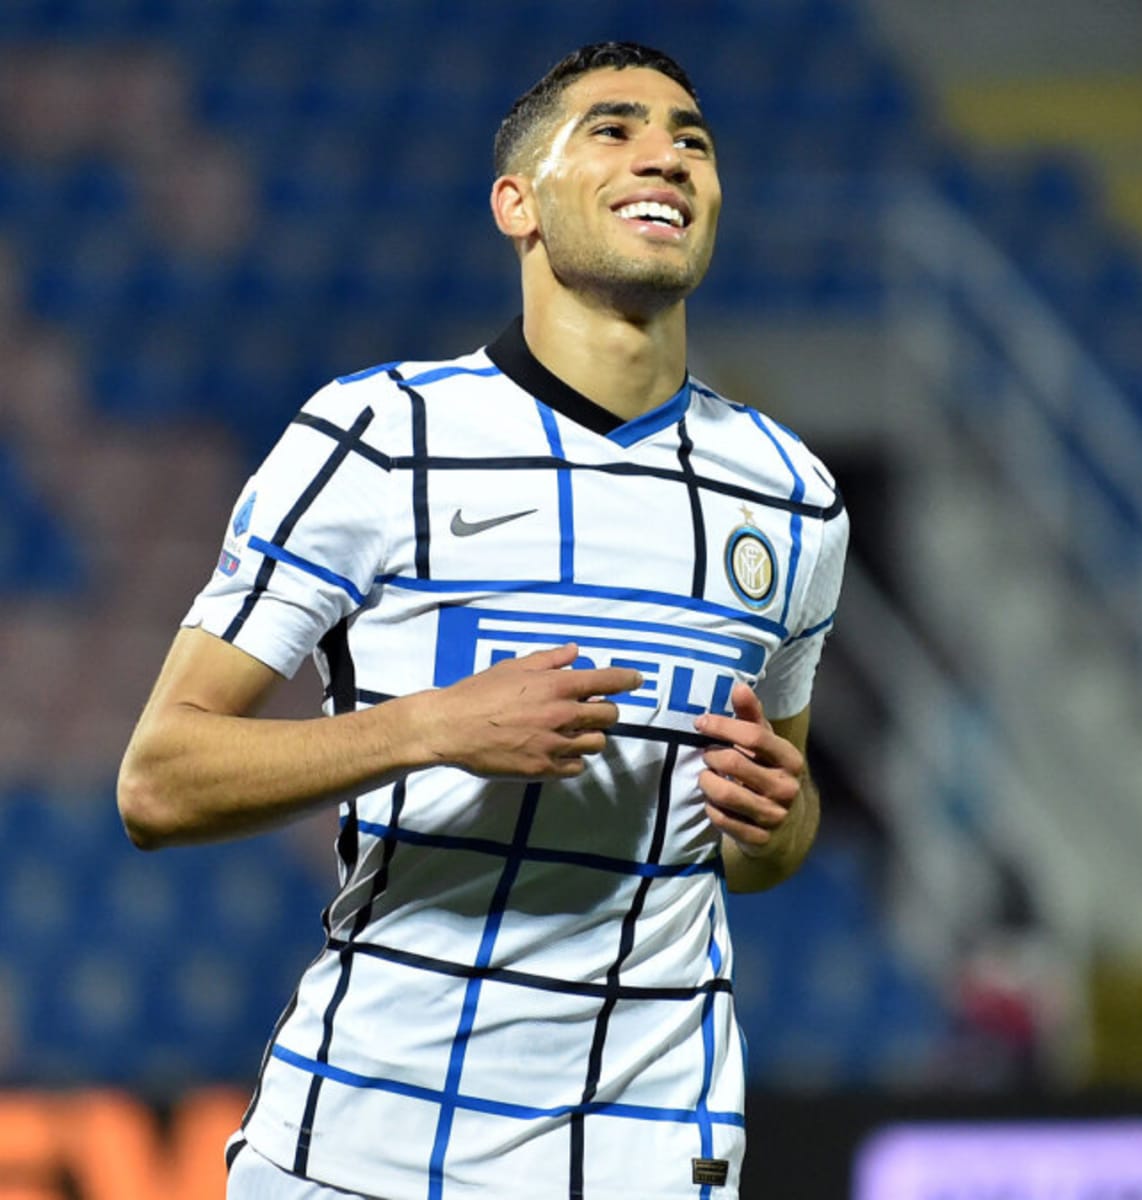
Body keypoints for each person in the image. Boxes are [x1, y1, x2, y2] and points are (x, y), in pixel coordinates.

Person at [118, 41, 848, 1200]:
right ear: (518, 205)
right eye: (613, 129)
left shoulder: (792, 495)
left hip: (655, 1156)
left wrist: (778, 816)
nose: (666, 156)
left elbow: (768, 843)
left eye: (693, 141)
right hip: (367, 1150)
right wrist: (433, 726)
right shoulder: (378, 438)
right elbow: (159, 782)